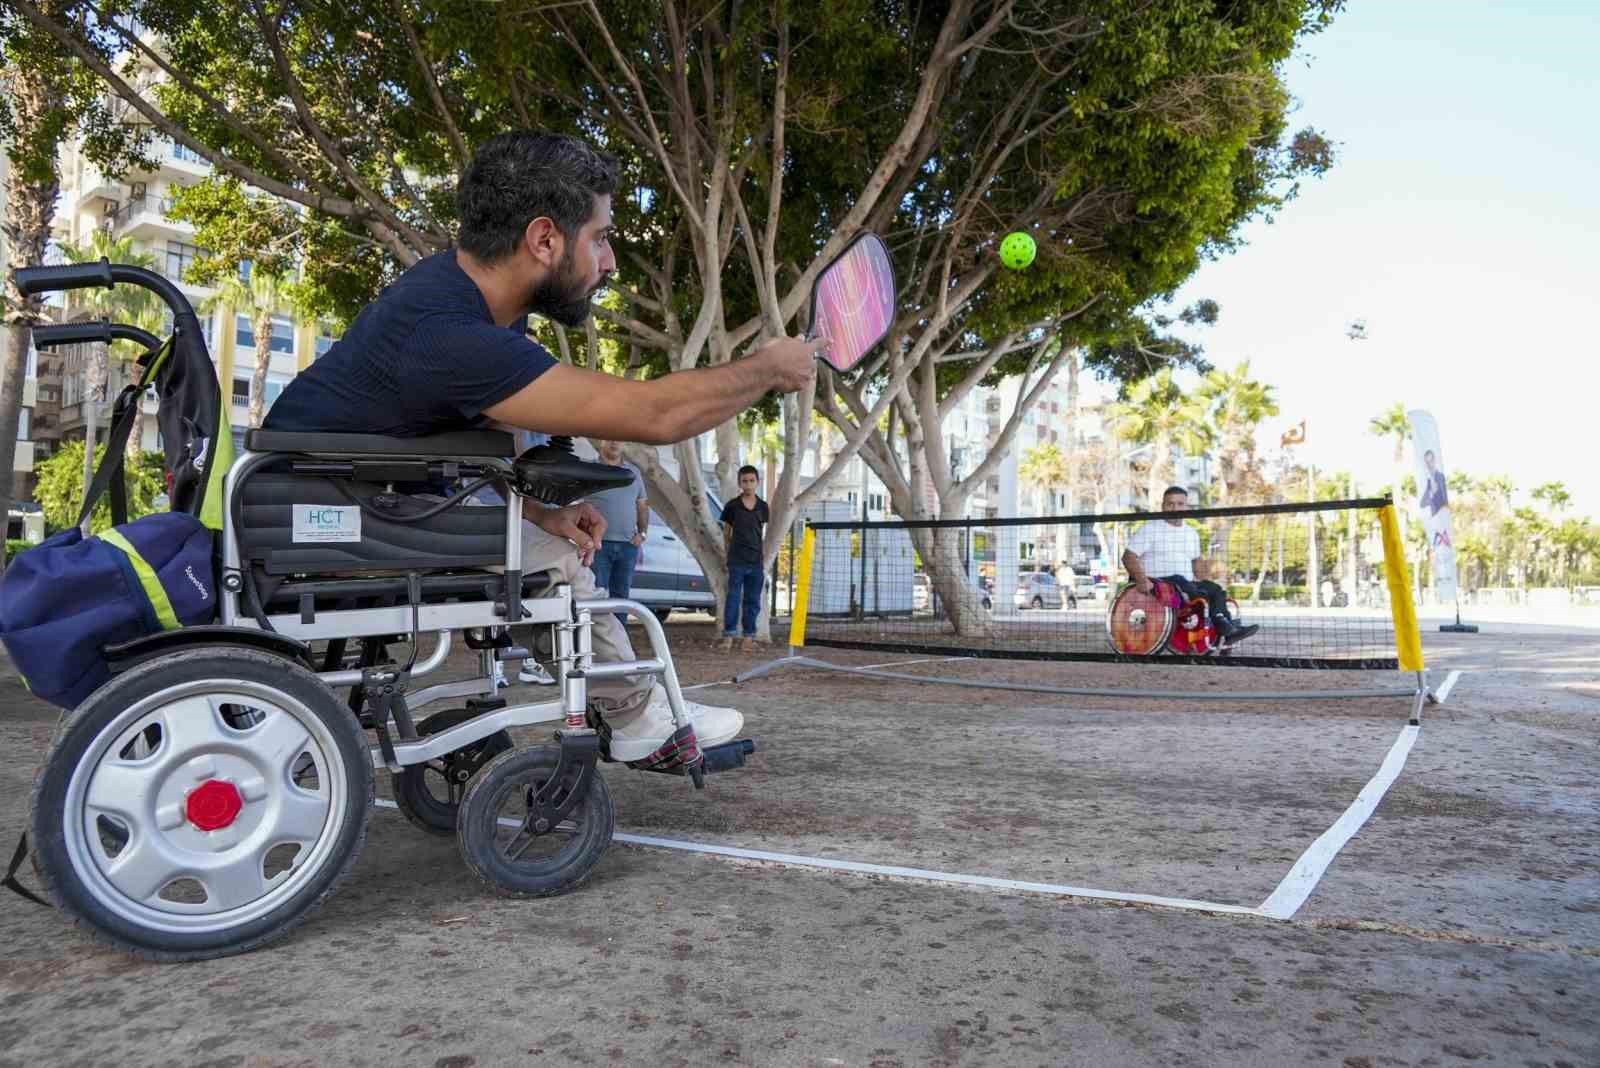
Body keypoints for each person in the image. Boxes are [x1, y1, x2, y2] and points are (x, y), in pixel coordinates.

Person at [264, 130, 823, 762]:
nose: (610, 262)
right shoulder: (453, 333)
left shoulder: (456, 297)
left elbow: (433, 444)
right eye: (601, 238)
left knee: (541, 543)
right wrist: (766, 369)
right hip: (320, 514)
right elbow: (657, 413)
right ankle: (636, 715)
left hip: (344, 497)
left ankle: (630, 706)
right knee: (551, 562)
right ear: (544, 240)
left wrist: (536, 510)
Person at [1121, 486, 1259, 646]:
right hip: (1158, 584)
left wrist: (1208, 569)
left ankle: (1225, 627)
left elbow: (1197, 565)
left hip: (1184, 585)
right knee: (1185, 584)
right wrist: (1141, 580)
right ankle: (1223, 626)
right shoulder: (1149, 529)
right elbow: (1128, 556)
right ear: (1163, 506)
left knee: (1214, 589)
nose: (1175, 508)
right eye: (1170, 504)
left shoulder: (1191, 533)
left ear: (1186, 507)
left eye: (1180, 504)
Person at [586, 438, 648, 615]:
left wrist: (642, 533)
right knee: (596, 597)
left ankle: (619, 633)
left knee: (622, 599)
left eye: (619, 439)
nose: (614, 442)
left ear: (624, 444)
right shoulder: (589, 469)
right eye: (609, 439)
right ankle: (597, 634)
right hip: (598, 546)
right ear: (601, 442)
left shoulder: (633, 472)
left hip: (628, 546)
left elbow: (642, 505)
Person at [718, 465, 769, 651]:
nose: (748, 485)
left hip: (756, 562)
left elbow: (762, 532)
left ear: (757, 482)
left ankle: (748, 638)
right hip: (736, 561)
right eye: (744, 481)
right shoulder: (732, 506)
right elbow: (726, 533)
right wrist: (727, 554)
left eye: (752, 481)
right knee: (733, 599)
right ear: (740, 483)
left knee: (753, 601)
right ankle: (728, 637)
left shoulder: (763, 507)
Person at [1419, 449, 1449, 517]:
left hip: (1445, 516)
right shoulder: (1429, 482)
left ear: (1435, 460)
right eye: (1427, 462)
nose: (1430, 464)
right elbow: (1422, 504)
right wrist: (1431, 493)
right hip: (1436, 518)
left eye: (1431, 460)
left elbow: (1446, 500)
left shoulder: (1441, 477)